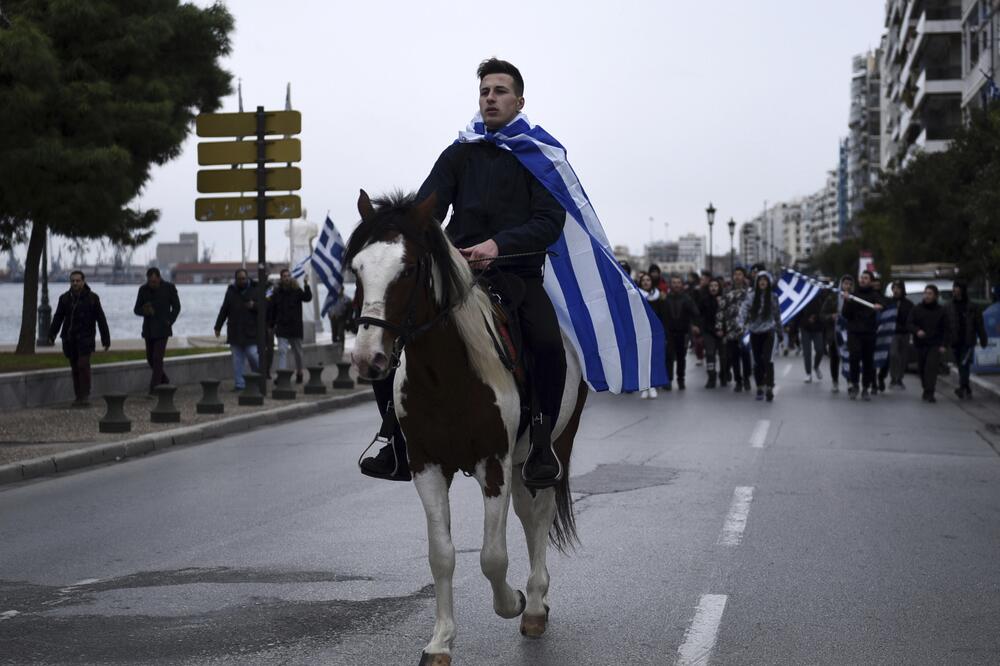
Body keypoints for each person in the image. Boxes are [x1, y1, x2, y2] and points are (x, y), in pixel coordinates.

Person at [362, 58, 566, 486]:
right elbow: (427, 209)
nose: (490, 98)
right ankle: (394, 437)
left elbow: (550, 222)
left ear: (519, 100)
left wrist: (499, 244)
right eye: (485, 91)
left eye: (500, 91)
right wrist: (399, 230)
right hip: (459, 275)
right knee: (392, 331)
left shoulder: (540, 156)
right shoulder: (459, 152)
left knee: (547, 340)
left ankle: (542, 438)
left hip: (516, 275)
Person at [47, 270, 110, 407]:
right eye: (73, 281)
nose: (75, 283)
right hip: (70, 339)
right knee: (75, 367)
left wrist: (106, 339)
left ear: (83, 281)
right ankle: (78, 397)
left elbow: (101, 319)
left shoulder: (93, 298)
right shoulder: (64, 298)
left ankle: (85, 395)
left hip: (86, 338)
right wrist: (52, 335)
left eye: (78, 281)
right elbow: (58, 318)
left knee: (83, 364)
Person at [133, 267, 181, 394]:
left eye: (154, 281)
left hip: (163, 328)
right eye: (150, 282)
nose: (152, 284)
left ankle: (154, 388)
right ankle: (164, 379)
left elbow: (177, 307)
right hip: (148, 329)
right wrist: (144, 310)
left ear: (159, 278)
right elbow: (136, 309)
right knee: (150, 358)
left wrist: (169, 320)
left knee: (157, 358)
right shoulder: (143, 290)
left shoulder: (169, 288)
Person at [214, 268, 260, 391]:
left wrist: (254, 306)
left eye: (243, 278)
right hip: (235, 331)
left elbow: (264, 308)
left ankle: (258, 376)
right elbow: (224, 310)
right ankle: (240, 384)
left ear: (247, 278)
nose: (241, 281)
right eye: (239, 279)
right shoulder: (230, 292)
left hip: (251, 331)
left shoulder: (255, 290)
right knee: (237, 360)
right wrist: (218, 327)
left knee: (253, 355)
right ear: (236, 279)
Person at [740, 271, 782, 401]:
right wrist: (741, 323)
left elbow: (777, 315)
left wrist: (780, 332)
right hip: (754, 332)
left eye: (765, 280)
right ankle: (759, 387)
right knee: (757, 361)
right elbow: (744, 310)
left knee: (768, 360)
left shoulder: (773, 297)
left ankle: (769, 387)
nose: (762, 282)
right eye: (760, 280)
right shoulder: (751, 296)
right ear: (757, 282)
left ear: (768, 282)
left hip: (769, 331)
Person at [842, 270, 884, 401]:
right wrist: (847, 302)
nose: (862, 280)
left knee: (868, 361)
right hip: (854, 332)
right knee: (854, 357)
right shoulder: (853, 295)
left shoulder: (875, 295)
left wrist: (879, 306)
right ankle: (855, 385)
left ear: (870, 281)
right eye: (861, 277)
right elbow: (845, 315)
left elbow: (884, 304)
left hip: (869, 333)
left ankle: (866, 387)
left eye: (866, 278)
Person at [907, 285, 951, 403]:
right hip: (921, 344)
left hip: (935, 344)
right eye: (925, 293)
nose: (927, 296)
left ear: (935, 296)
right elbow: (909, 323)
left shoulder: (941, 310)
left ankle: (930, 392)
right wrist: (917, 331)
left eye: (930, 293)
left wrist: (944, 345)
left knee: (930, 368)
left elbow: (947, 329)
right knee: (922, 369)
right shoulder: (917, 309)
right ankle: (926, 388)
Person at [269, 269, 313, 383]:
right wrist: (271, 325)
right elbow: (273, 310)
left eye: (288, 276)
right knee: (282, 351)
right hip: (282, 327)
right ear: (281, 278)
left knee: (298, 352)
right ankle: (282, 376)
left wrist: (306, 284)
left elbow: (307, 298)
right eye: (284, 276)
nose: (286, 278)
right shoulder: (277, 292)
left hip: (295, 327)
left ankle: (299, 372)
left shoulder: (297, 290)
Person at [948, 280, 988, 399]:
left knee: (964, 364)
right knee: (961, 365)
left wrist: (983, 338)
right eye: (954, 287)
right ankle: (966, 388)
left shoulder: (972, 307)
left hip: (968, 340)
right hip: (955, 341)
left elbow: (979, 324)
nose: (955, 290)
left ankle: (962, 388)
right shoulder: (949, 306)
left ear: (962, 290)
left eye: (957, 287)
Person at [662, 274, 701, 390]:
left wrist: (695, 325)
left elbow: (696, 313)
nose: (676, 285)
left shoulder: (687, 298)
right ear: (670, 284)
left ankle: (681, 379)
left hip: (683, 333)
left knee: (681, 357)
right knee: (668, 357)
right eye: (674, 283)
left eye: (678, 283)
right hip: (669, 332)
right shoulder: (665, 298)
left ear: (682, 285)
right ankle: (668, 380)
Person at [718, 266, 752, 393]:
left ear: (744, 276)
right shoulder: (727, 291)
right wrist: (720, 327)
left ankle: (747, 378)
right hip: (731, 329)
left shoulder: (749, 292)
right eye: (735, 274)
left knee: (746, 355)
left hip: (745, 329)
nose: (737, 276)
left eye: (740, 274)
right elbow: (721, 310)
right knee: (734, 356)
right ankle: (738, 381)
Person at [821, 275, 853, 393]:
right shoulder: (833, 297)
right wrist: (831, 316)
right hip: (834, 334)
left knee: (848, 358)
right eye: (845, 284)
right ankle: (835, 381)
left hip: (849, 334)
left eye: (850, 284)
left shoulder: (855, 298)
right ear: (841, 284)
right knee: (834, 358)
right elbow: (823, 314)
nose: (847, 286)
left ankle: (850, 381)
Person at [637, 273, 664, 399]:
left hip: (655, 333)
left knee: (654, 360)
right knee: (643, 360)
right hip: (641, 332)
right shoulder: (636, 296)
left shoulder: (658, 297)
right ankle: (644, 387)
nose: (646, 282)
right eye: (643, 280)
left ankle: (652, 385)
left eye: (648, 280)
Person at [885, 280, 913, 390]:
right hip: (893, 333)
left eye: (898, 288)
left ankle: (899, 378)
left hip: (905, 333)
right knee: (893, 354)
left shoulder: (908, 304)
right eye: (894, 288)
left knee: (903, 357)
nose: (896, 291)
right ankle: (893, 376)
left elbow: (911, 319)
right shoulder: (889, 302)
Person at [698, 278, 724, 388]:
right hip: (708, 331)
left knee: (724, 356)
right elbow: (700, 315)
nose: (713, 288)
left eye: (716, 286)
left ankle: (724, 374)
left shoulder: (724, 299)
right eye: (711, 286)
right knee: (710, 354)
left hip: (723, 332)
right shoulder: (704, 300)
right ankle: (711, 377)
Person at [798, 288, 825, 383]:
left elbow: (823, 311)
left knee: (820, 349)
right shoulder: (803, 296)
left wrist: (816, 318)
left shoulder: (821, 296)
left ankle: (816, 366)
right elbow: (798, 313)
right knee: (807, 353)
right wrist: (805, 321)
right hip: (805, 328)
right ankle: (808, 373)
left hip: (818, 328)